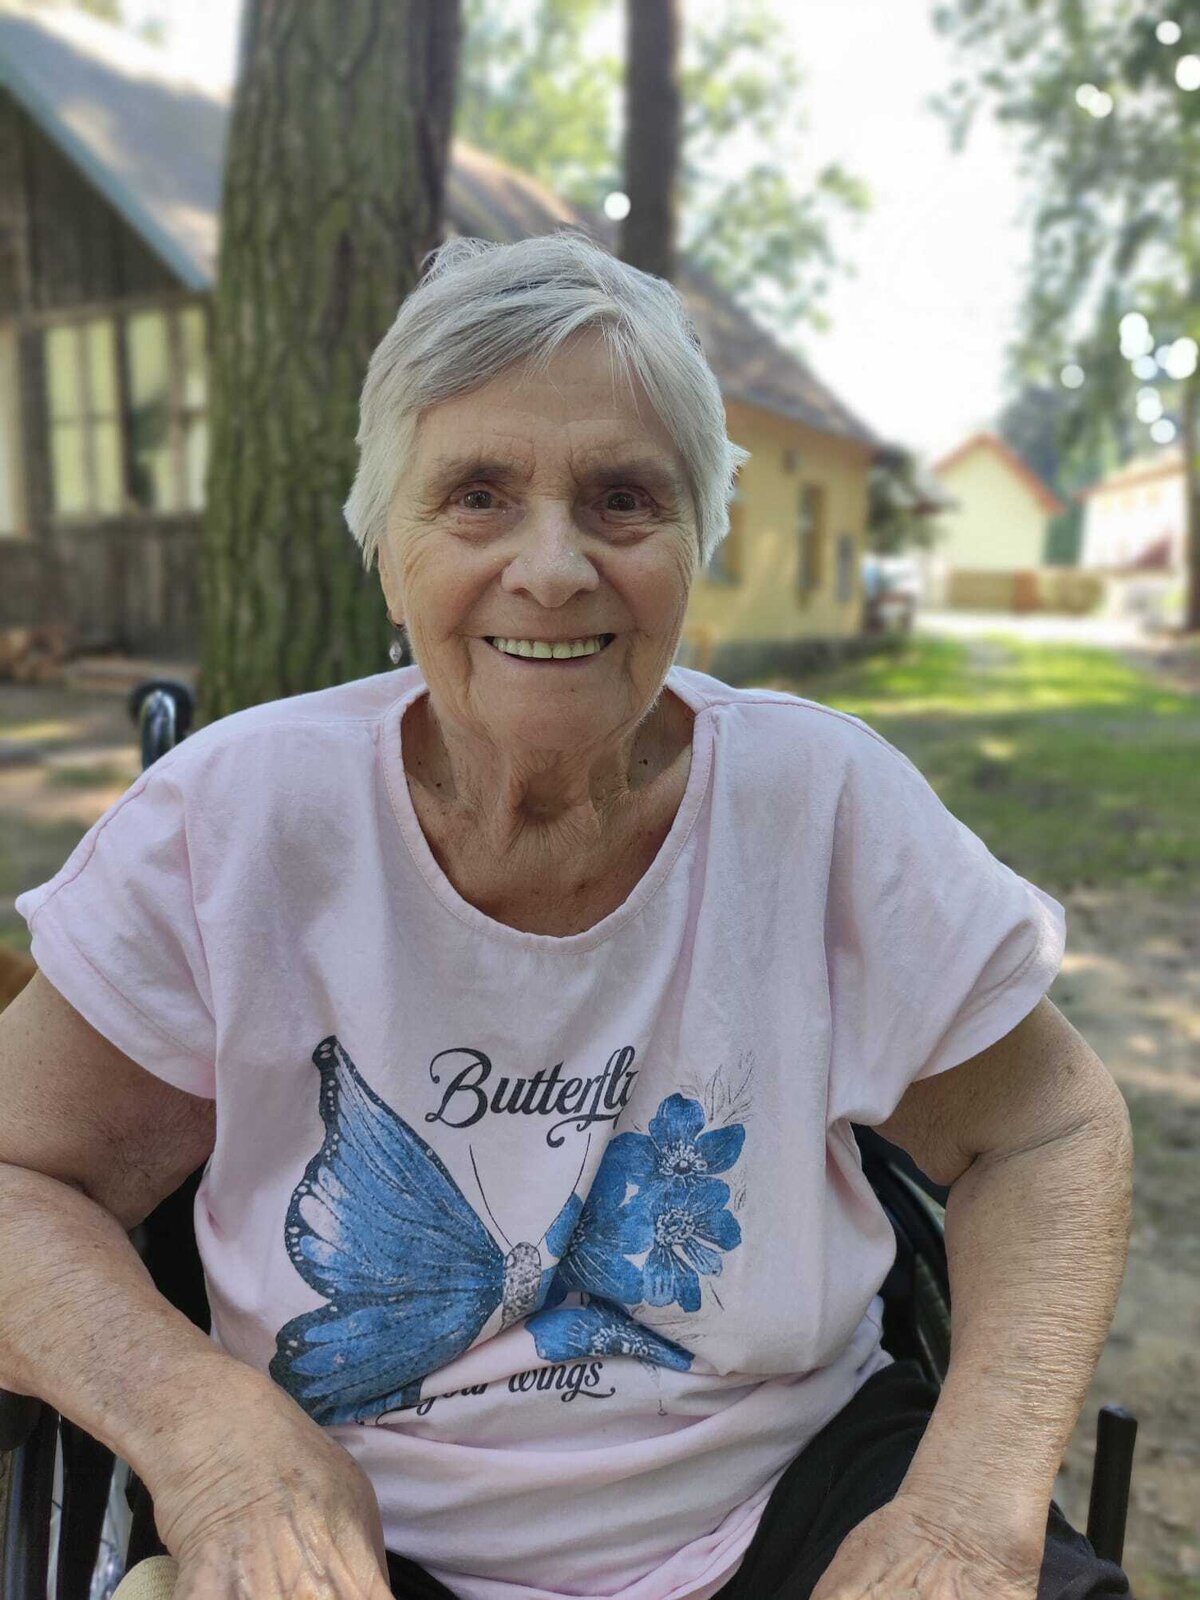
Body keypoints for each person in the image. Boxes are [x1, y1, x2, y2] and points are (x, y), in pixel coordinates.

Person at [0, 232, 1133, 1600]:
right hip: (362, 1519)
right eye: (477, 497)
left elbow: (1048, 1129)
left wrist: (965, 1516)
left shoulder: (819, 804)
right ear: (387, 549)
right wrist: (210, 1434)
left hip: (793, 1488)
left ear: (696, 546)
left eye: (623, 501)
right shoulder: (232, 824)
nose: (553, 567)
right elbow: (18, 1177)